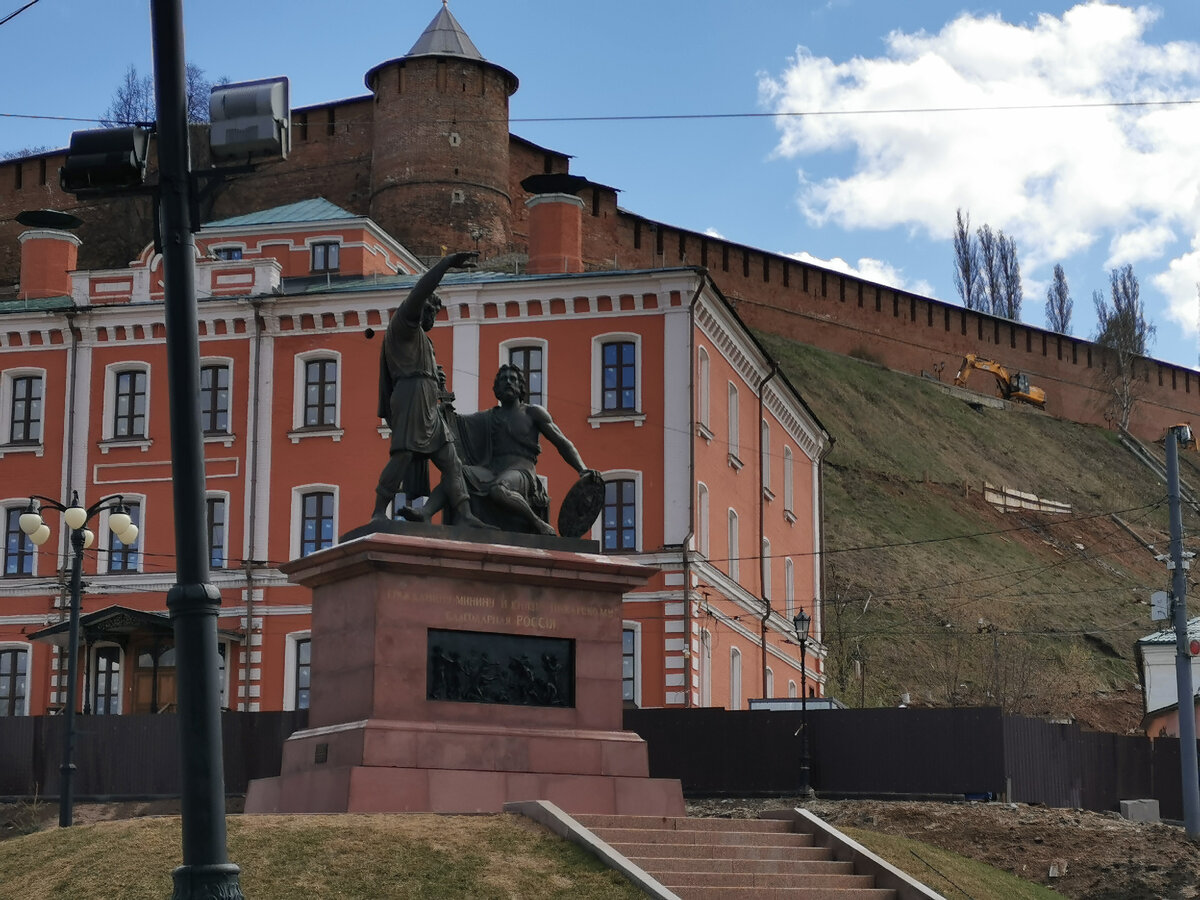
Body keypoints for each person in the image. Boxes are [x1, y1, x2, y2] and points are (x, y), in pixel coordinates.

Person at [402, 364, 597, 535]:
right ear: (497, 388)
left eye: (513, 379)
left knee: (499, 489)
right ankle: (425, 512)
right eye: (503, 379)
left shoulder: (533, 412)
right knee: (456, 471)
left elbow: (562, 442)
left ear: (521, 386)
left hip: (522, 472)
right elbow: (453, 423)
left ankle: (537, 523)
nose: (508, 382)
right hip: (491, 469)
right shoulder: (488, 416)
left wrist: (582, 469)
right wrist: (437, 391)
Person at [371, 251, 488, 526]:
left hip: (427, 401)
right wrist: (446, 264)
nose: (435, 317)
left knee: (451, 461)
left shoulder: (423, 339)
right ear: (421, 307)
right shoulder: (404, 323)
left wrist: (436, 379)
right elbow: (422, 288)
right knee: (403, 455)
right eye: (433, 311)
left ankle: (465, 513)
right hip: (411, 398)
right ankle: (379, 510)